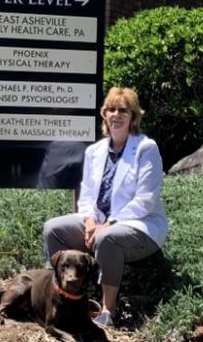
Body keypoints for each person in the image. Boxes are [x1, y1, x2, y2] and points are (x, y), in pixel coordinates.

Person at [42, 86, 168, 327]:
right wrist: (89, 220)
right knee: (53, 229)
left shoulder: (146, 148)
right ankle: (59, 298)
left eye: (123, 110)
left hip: (140, 225)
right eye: (111, 109)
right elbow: (87, 194)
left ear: (133, 116)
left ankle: (107, 311)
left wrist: (107, 224)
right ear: (104, 114)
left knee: (108, 238)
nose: (116, 115)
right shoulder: (95, 151)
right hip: (99, 222)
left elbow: (145, 200)